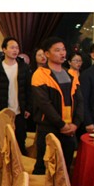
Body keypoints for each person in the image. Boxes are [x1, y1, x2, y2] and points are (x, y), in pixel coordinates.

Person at [31, 35, 83, 174]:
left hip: (70, 128)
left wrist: (75, 124)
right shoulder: (40, 74)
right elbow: (44, 104)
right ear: (47, 54)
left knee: (64, 168)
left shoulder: (71, 74)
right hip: (49, 128)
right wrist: (61, 125)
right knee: (44, 167)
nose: (62, 53)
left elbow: (80, 101)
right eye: (57, 50)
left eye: (63, 49)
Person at [0, 36, 31, 153]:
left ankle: (21, 163)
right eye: (12, 48)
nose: (15, 50)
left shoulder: (24, 67)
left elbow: (28, 89)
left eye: (17, 48)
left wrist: (28, 107)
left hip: (20, 111)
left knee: (20, 140)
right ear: (4, 49)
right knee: (4, 143)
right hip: (3, 111)